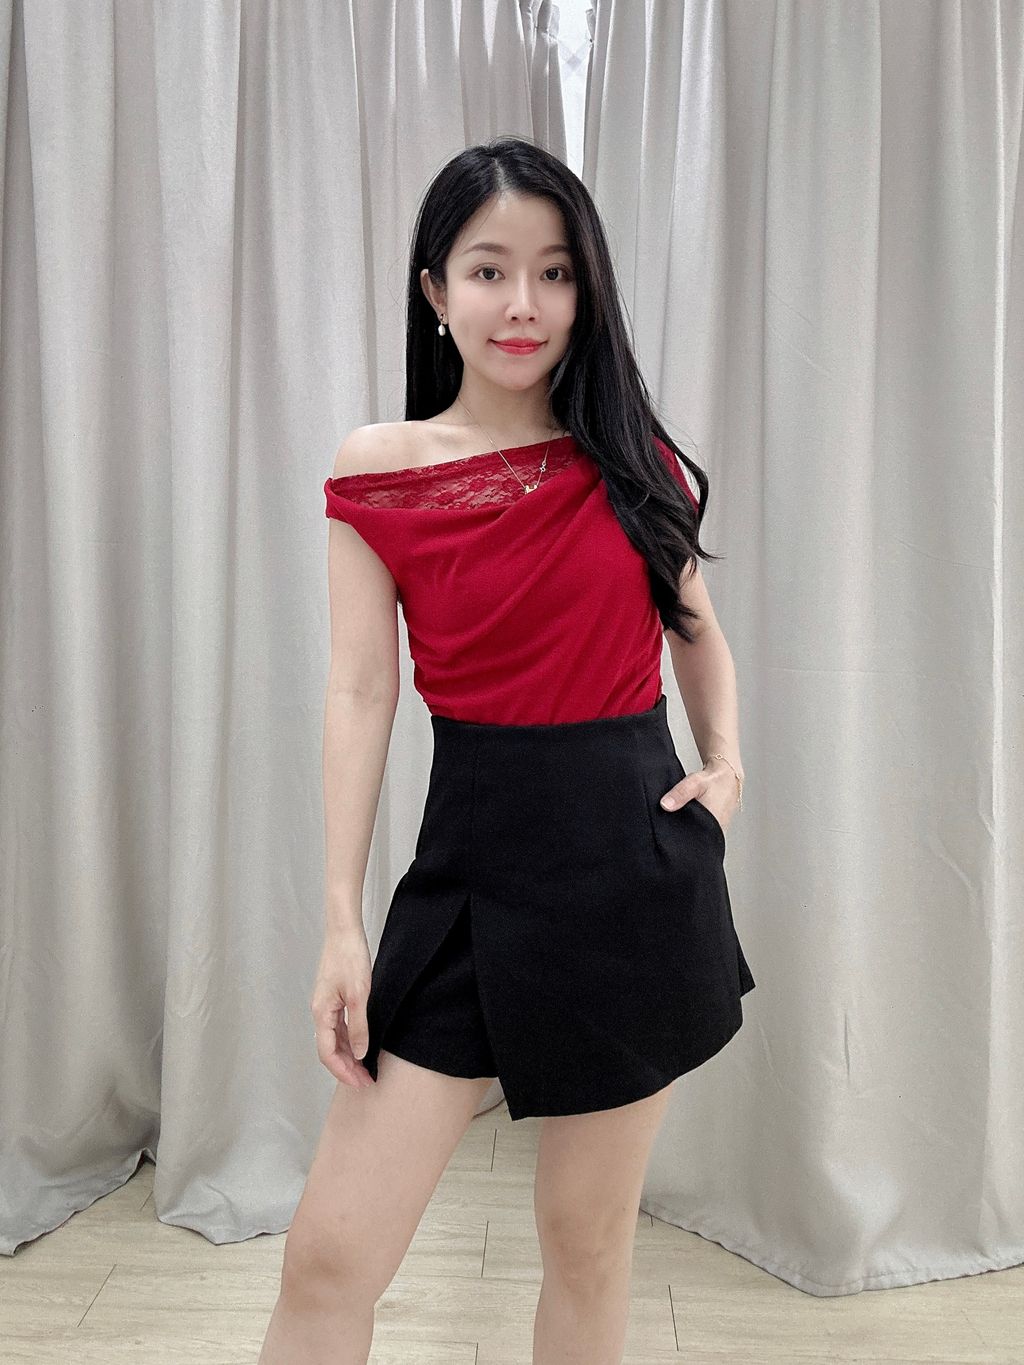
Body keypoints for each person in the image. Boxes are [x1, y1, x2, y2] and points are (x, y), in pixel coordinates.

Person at [258, 135, 754, 1365]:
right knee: (328, 1258)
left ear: (585, 290)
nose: (522, 303)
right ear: (436, 290)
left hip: (631, 875)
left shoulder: (629, 460)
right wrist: (340, 920)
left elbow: (694, 626)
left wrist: (725, 763)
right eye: (488, 271)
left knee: (587, 1248)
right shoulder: (379, 470)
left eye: (553, 272)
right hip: (470, 874)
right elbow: (360, 689)